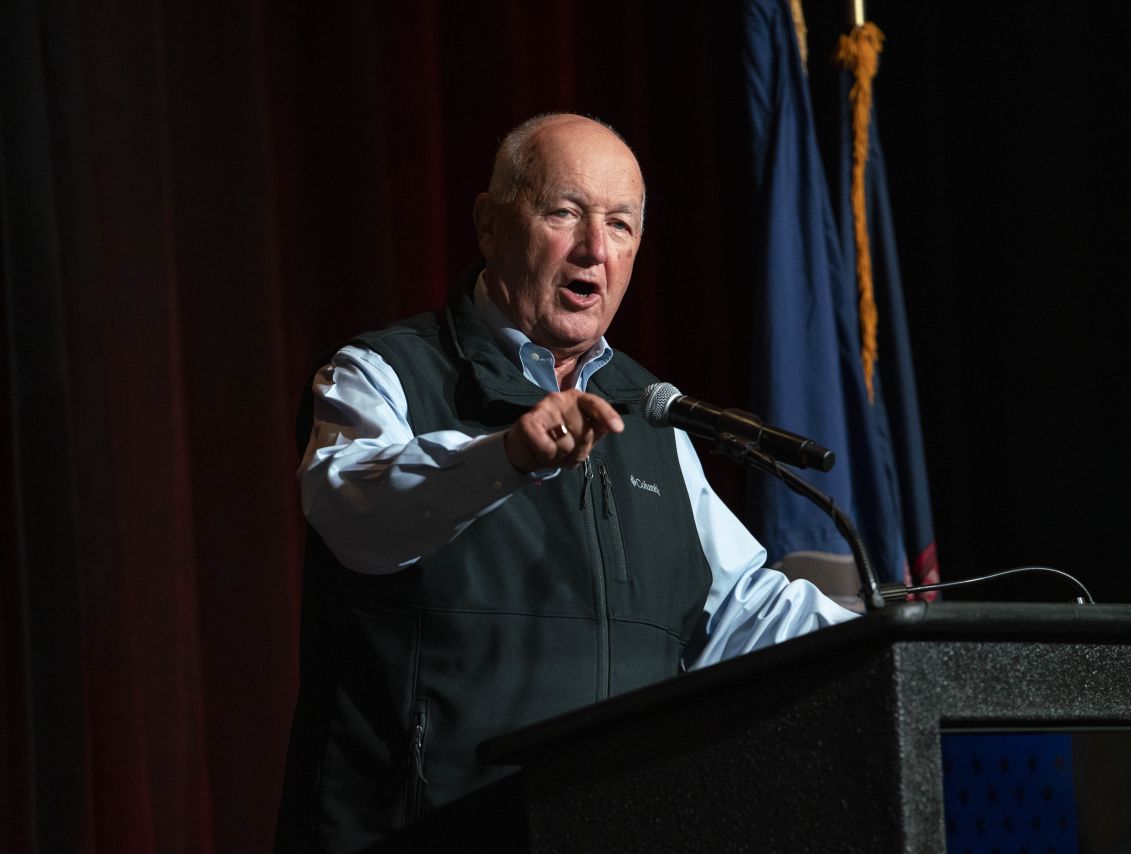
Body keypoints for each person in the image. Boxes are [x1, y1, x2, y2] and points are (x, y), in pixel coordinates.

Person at [276, 113, 856, 852]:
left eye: (621, 226)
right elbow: (360, 514)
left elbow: (742, 612)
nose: (594, 250)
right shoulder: (381, 374)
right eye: (564, 213)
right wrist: (505, 457)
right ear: (488, 223)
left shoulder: (653, 413)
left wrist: (915, 637)